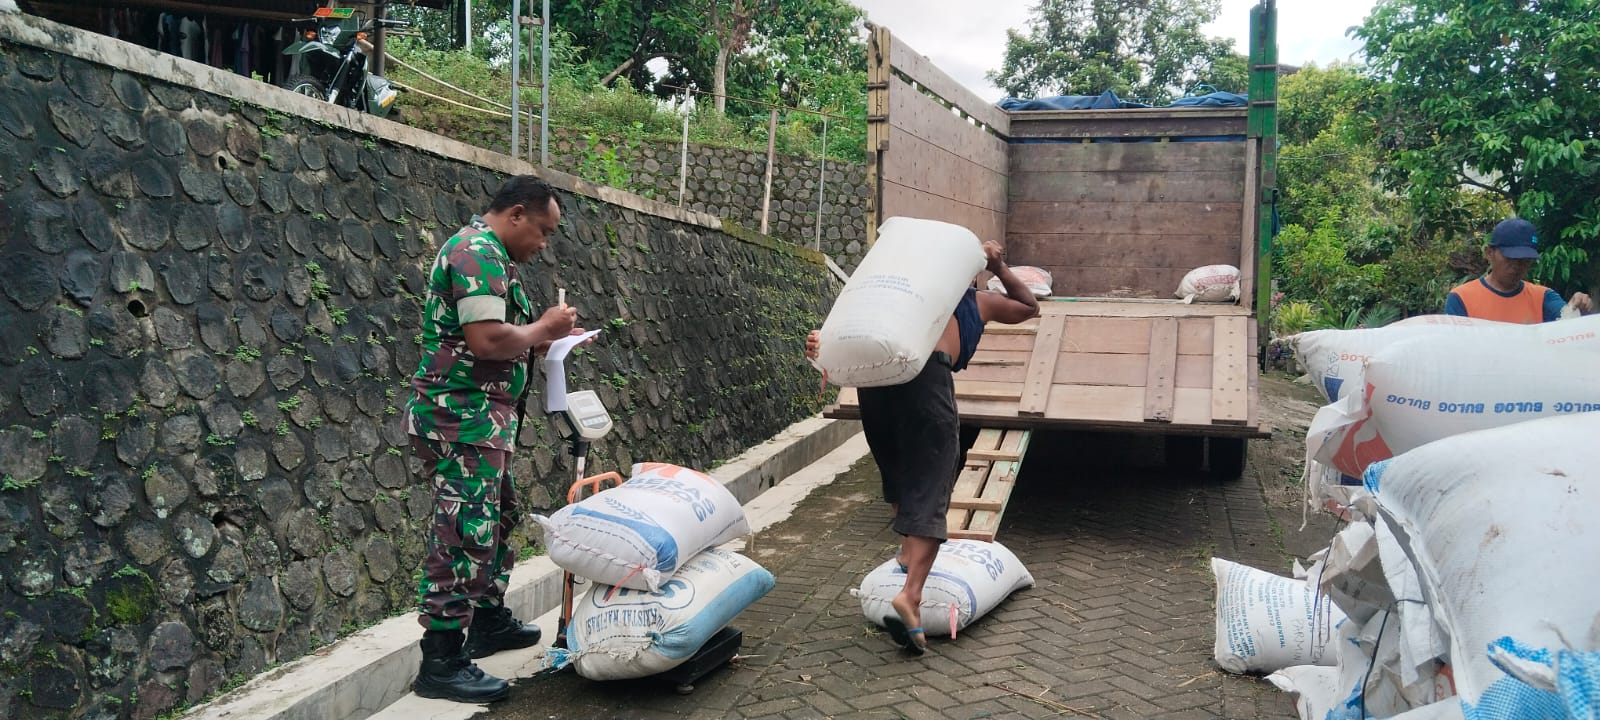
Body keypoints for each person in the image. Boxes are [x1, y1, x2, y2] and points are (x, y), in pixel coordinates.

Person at [804, 240, 1038, 654]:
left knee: (897, 474)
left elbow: (848, 330)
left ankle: (906, 554)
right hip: (925, 382)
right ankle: (910, 595)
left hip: (875, 385)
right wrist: (1000, 267)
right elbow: (1027, 306)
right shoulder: (977, 303)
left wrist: (823, 343)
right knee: (932, 483)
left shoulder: (895, 298)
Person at [404, 175, 588, 703]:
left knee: (497, 518)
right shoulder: (476, 252)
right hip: (460, 419)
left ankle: (486, 620)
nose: (544, 243)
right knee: (463, 532)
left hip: (482, 421)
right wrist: (544, 328)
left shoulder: (493, 257)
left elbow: (506, 339)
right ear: (516, 215)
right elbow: (487, 341)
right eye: (543, 231)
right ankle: (441, 660)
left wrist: (551, 337)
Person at [1444, 217, 1593, 323]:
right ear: (1489, 253)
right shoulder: (1461, 298)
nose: (1517, 266)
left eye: (1525, 260)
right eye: (1510, 258)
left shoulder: (1543, 298)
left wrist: (1579, 309)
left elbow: (1568, 325)